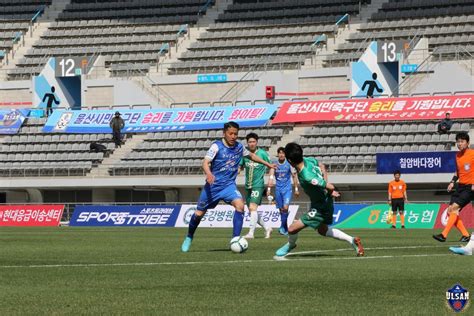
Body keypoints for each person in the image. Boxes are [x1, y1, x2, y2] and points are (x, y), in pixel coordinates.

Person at [181, 122, 275, 252]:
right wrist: (208, 173)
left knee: (240, 206)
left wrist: (268, 164)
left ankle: (235, 239)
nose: (233, 136)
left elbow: (252, 156)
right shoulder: (216, 146)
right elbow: (205, 162)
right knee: (198, 214)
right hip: (213, 187)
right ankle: (189, 237)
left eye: (235, 134)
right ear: (224, 133)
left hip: (229, 186)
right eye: (230, 133)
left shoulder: (239, 147)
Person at [275, 142, 364, 257]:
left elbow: (330, 186)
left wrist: (330, 191)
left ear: (290, 161)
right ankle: (352, 240)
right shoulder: (310, 160)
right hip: (323, 202)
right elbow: (322, 167)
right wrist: (327, 189)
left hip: (321, 206)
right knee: (323, 230)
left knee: (292, 229)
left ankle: (291, 245)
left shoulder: (307, 176)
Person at [433, 132, 473, 243]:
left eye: (462, 141)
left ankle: (444, 235)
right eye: (458, 141)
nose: (459, 144)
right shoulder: (458, 156)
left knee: (455, 208)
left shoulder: (472, 154)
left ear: (467, 143)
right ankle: (465, 235)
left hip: (470, 187)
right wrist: (452, 182)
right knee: (451, 211)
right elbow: (458, 172)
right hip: (460, 186)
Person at [239, 133, 273, 239]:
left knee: (252, 207)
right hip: (248, 185)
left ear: (257, 142)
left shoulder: (262, 154)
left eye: (253, 142)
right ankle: (267, 228)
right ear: (247, 143)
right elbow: (240, 166)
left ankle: (251, 233)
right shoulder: (245, 154)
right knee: (252, 210)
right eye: (250, 142)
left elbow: (271, 167)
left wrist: (271, 179)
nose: (252, 144)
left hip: (258, 185)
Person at [267, 147, 299, 236]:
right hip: (278, 189)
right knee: (281, 210)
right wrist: (269, 189)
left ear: (285, 154)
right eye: (280, 153)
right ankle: (285, 228)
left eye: (283, 153)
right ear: (278, 154)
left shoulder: (289, 164)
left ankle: (282, 227)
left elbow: (294, 176)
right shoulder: (275, 164)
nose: (281, 154)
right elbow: (271, 176)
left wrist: (296, 189)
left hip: (287, 189)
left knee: (285, 208)